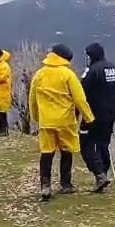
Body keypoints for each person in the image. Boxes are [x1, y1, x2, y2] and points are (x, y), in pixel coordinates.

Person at [29, 44, 95, 200]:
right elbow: (80, 99)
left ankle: (45, 186)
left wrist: (36, 117)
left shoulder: (40, 74)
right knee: (66, 151)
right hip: (65, 121)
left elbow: (32, 99)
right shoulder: (68, 75)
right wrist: (88, 117)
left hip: (46, 122)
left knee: (47, 153)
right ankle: (66, 184)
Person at [79, 42, 115, 193]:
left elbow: (81, 92)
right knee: (104, 143)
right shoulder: (114, 68)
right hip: (110, 113)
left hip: (92, 114)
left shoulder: (91, 71)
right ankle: (104, 171)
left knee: (86, 144)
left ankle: (100, 175)